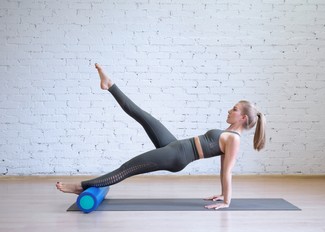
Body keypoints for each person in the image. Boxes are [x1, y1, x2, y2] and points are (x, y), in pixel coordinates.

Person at [56, 64, 266, 210]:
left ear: (243, 118)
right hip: (174, 145)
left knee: (126, 168)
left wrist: (226, 201)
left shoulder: (234, 140)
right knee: (142, 115)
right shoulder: (229, 134)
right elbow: (222, 169)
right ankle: (109, 85)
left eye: (235, 109)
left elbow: (227, 171)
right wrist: (221, 192)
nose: (230, 110)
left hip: (177, 157)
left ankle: (80, 186)